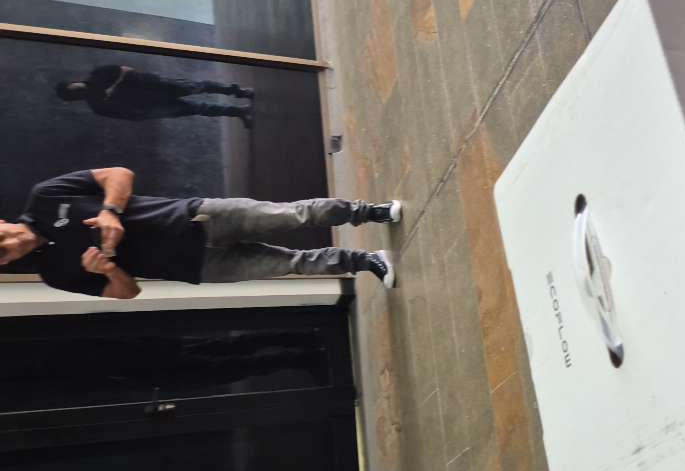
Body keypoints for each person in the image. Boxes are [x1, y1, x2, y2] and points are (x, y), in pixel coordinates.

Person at [0, 167, 401, 298]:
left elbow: (118, 174)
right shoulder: (54, 273)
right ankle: (366, 261)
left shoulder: (45, 196)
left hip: (196, 217)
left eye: (0, 240)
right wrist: (108, 270)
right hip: (196, 266)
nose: (10, 246)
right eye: (3, 255)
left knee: (293, 215)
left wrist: (110, 212)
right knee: (292, 264)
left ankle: (368, 212)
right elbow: (127, 292)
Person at [55, 65, 255, 130]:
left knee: (198, 87)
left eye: (75, 89)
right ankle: (239, 111)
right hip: (152, 106)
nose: (79, 93)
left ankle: (238, 92)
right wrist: (143, 114)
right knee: (199, 108)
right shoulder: (96, 106)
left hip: (155, 85)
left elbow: (126, 69)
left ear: (75, 82)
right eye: (75, 95)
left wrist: (113, 87)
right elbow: (125, 116)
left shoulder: (97, 74)